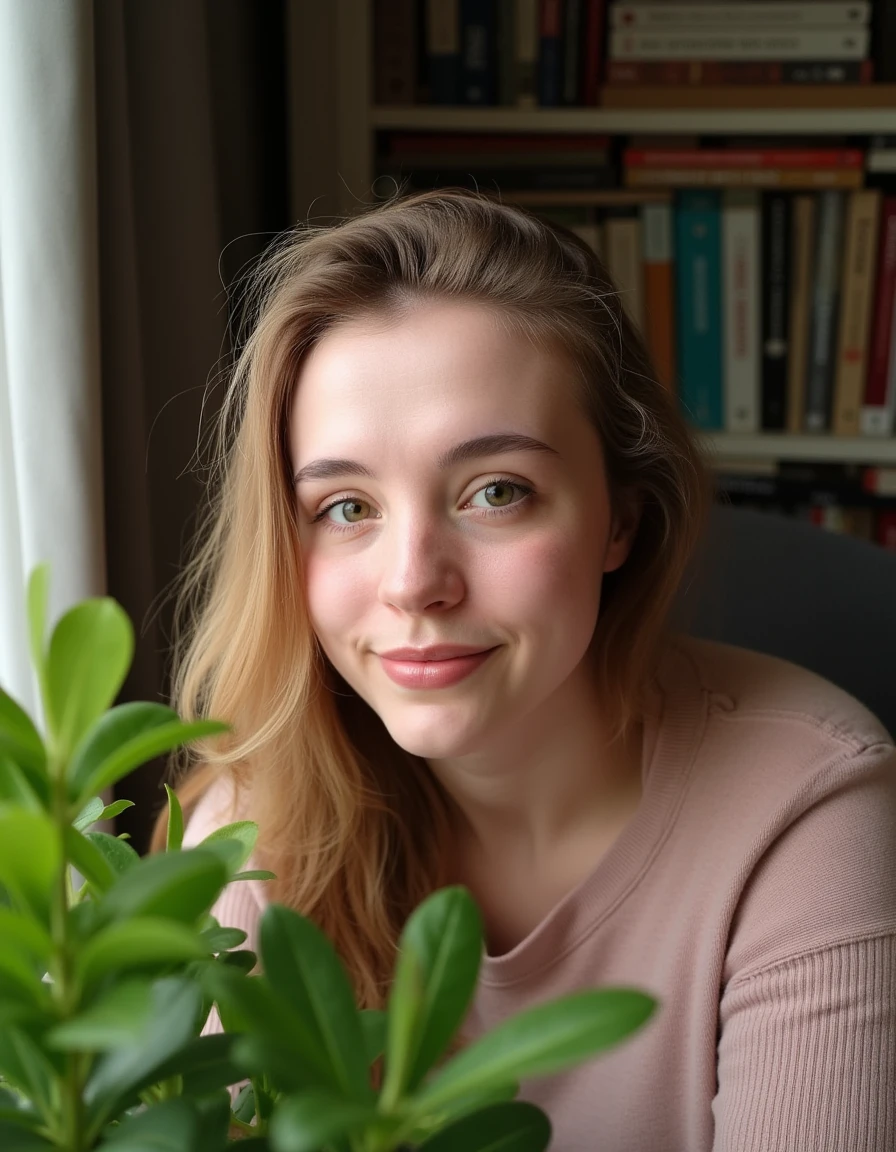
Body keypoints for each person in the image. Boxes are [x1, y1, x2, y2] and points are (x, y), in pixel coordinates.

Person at [158, 188, 896, 1151]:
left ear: (619, 519)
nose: (415, 583)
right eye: (345, 507)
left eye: (495, 492)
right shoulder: (254, 825)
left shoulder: (807, 811)